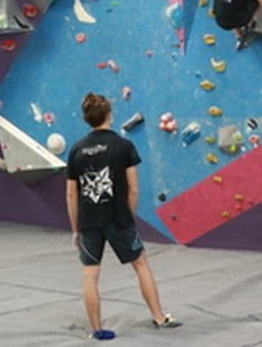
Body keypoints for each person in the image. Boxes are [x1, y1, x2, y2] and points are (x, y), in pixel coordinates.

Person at [66, 93, 181, 341]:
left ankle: (97, 330)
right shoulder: (124, 146)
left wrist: (76, 229)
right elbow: (134, 189)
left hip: (89, 221)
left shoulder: (76, 150)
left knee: (89, 274)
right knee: (140, 264)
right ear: (109, 115)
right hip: (119, 218)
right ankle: (159, 317)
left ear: (87, 119)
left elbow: (71, 194)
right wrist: (127, 217)